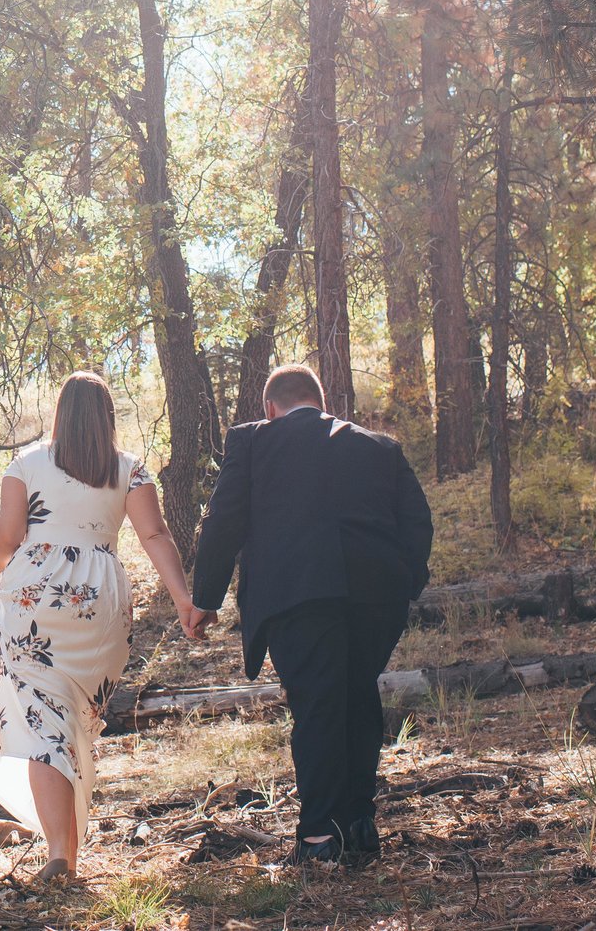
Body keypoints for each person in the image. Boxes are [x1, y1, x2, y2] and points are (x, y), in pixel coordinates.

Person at [0, 372, 205, 887]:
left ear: (60, 414)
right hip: (100, 602)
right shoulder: (128, 469)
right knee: (67, 723)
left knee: (45, 724)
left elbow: (8, 540)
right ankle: (64, 847)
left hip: (34, 597)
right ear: (106, 417)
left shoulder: (26, 464)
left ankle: (60, 854)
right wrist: (184, 599)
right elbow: (155, 534)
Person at [184, 363, 433, 866]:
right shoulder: (378, 446)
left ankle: (320, 839)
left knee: (318, 704)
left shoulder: (254, 440)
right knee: (357, 697)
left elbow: (224, 519)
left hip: (299, 593)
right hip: (376, 595)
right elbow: (418, 520)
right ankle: (359, 828)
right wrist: (407, 582)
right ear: (320, 401)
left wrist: (204, 598)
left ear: (270, 408)